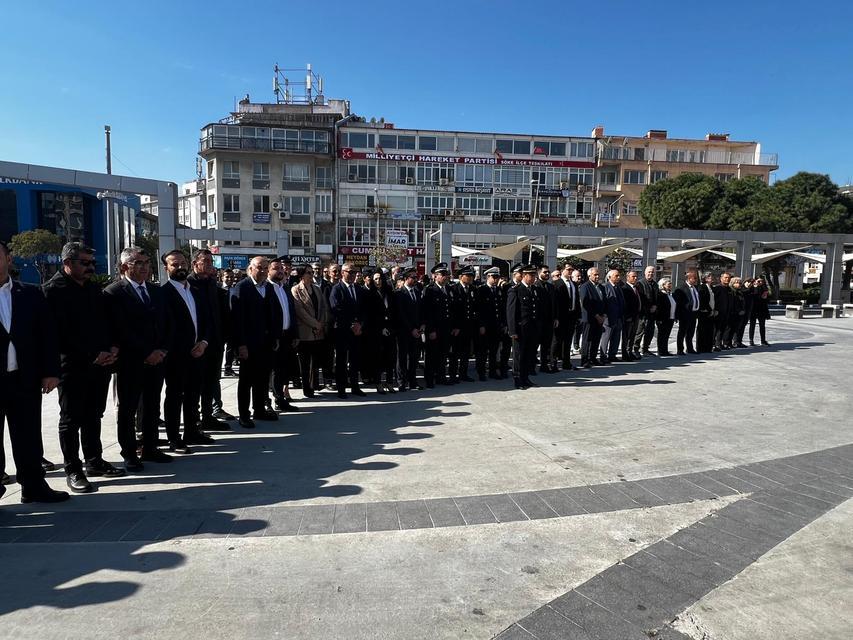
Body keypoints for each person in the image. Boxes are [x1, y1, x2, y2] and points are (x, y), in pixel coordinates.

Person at [42, 242, 123, 494]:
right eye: (84, 263)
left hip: (100, 366)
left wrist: (111, 347)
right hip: (71, 367)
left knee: (93, 415)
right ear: (67, 263)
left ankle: (94, 460)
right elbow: (56, 335)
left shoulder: (93, 288)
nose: (90, 268)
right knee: (71, 420)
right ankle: (73, 468)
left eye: (92, 263)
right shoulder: (51, 292)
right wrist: (92, 354)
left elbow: (105, 323)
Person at [0, 240, 66, 503]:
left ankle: (34, 486)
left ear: (9, 258)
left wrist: (51, 371)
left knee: (28, 435)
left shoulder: (30, 293)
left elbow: (47, 335)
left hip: (23, 378)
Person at [104, 247, 172, 470]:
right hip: (131, 362)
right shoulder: (114, 292)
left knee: (152, 406)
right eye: (138, 263)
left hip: (157, 361)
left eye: (146, 262)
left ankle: (150, 447)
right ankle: (130, 452)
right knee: (128, 409)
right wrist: (146, 353)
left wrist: (161, 350)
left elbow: (165, 324)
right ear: (125, 267)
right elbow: (120, 330)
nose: (144, 267)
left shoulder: (156, 291)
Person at [161, 250, 211, 453]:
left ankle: (192, 431)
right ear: (166, 268)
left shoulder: (195, 291)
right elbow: (164, 327)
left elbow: (206, 321)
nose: (180, 267)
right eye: (175, 264)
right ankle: (174, 438)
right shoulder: (163, 294)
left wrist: (204, 343)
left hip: (198, 352)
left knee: (193, 394)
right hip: (175, 356)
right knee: (174, 396)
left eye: (183, 263)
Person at [230, 256, 280, 428]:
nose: (263, 271)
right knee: (246, 380)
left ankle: (259, 409)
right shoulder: (241, 288)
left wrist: (275, 337)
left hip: (266, 343)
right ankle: (244, 414)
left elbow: (275, 313)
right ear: (250, 269)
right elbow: (237, 319)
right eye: (260, 267)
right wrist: (241, 344)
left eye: (266, 268)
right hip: (249, 344)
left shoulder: (269, 288)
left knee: (262, 378)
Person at [188, 250, 232, 431]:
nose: (208, 264)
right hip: (197, 343)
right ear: (195, 264)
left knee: (211, 381)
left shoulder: (212, 283)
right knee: (194, 385)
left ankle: (208, 416)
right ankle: (193, 420)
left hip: (215, 342)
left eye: (210, 261)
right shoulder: (189, 284)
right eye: (204, 261)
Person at [329, 262, 367, 398]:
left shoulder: (358, 289)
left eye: (354, 272)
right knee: (341, 361)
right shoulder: (337, 289)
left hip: (357, 331)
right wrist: (351, 324)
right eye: (349, 272)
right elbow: (336, 309)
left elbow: (363, 309)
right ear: (342, 273)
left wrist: (360, 324)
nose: (352, 275)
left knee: (355, 359)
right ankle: (341, 388)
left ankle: (355, 386)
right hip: (343, 330)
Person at [291, 264, 330, 398]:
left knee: (315, 362)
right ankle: (307, 388)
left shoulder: (317, 289)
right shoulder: (295, 290)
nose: (311, 274)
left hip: (318, 332)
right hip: (305, 332)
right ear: (302, 275)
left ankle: (314, 385)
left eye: (312, 272)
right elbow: (300, 311)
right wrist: (315, 325)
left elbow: (323, 308)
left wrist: (321, 325)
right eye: (308, 272)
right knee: (305, 363)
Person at [268, 257, 300, 412]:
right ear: (268, 270)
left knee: (282, 369)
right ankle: (270, 401)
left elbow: (291, 311)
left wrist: (294, 334)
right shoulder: (266, 287)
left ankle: (280, 399)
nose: (280, 271)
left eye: (282, 269)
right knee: (272, 370)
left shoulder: (285, 287)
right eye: (276, 268)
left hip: (287, 335)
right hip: (273, 337)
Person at [506, 265, 540, 389]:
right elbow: (511, 312)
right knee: (518, 355)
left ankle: (525, 378)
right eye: (531, 275)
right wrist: (512, 331)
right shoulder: (515, 290)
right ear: (524, 276)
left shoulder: (534, 289)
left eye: (534, 275)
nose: (533, 278)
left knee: (528, 354)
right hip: (520, 329)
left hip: (531, 329)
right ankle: (517, 379)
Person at [422, 262, 454, 388]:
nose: (445, 277)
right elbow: (427, 312)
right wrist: (431, 330)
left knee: (443, 354)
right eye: (443, 274)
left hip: (445, 329)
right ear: (435, 276)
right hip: (434, 329)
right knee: (431, 356)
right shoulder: (429, 290)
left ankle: (441, 376)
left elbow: (451, 310)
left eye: (446, 274)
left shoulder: (449, 289)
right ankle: (429, 378)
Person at [365, 270, 397, 393]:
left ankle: (389, 382)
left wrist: (391, 327)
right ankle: (378, 383)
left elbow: (394, 310)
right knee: (378, 358)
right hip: (377, 330)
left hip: (390, 328)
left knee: (391, 357)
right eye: (376, 279)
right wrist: (380, 328)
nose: (378, 281)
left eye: (380, 278)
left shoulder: (389, 293)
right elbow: (370, 315)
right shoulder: (370, 294)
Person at [475, 267, 508, 379]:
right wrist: (481, 325)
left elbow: (501, 309)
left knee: (494, 350)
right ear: (487, 277)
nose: (496, 279)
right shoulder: (481, 290)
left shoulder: (498, 290)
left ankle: (493, 372)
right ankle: (481, 372)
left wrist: (503, 324)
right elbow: (478, 309)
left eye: (497, 277)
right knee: (483, 351)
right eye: (494, 277)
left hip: (496, 326)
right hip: (486, 326)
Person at [394, 269, 424, 391]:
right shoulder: (399, 293)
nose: (415, 279)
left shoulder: (417, 292)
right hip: (404, 331)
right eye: (412, 277)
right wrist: (411, 329)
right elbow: (401, 314)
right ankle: (401, 382)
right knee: (402, 358)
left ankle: (413, 381)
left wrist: (422, 325)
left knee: (413, 358)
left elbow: (421, 311)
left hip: (416, 331)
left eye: (415, 277)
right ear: (406, 279)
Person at [451, 265, 478, 382]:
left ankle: (463, 373)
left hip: (469, 326)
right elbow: (453, 311)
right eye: (468, 276)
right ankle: (453, 374)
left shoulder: (473, 289)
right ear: (461, 277)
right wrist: (455, 326)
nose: (471, 278)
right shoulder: (454, 289)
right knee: (455, 353)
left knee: (466, 352)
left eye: (472, 276)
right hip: (458, 327)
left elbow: (474, 308)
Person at [551, 263, 580, 371]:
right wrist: (556, 317)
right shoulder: (557, 283)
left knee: (568, 341)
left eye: (572, 269)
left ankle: (566, 362)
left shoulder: (573, 284)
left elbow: (576, 300)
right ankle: (553, 362)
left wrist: (577, 315)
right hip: (561, 316)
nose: (570, 271)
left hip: (571, 315)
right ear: (562, 270)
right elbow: (555, 302)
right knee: (557, 340)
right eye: (568, 269)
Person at [578, 267, 606, 368]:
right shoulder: (585, 286)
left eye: (598, 274)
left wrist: (603, 315)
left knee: (596, 339)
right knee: (587, 339)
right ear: (589, 275)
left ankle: (593, 358)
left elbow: (604, 301)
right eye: (595, 274)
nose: (597, 276)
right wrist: (596, 315)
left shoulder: (601, 287)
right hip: (589, 318)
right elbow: (586, 303)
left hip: (600, 318)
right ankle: (584, 359)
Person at [533, 266, 557, 373]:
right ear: (539, 273)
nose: (547, 274)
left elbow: (554, 304)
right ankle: (531, 366)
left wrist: (555, 318)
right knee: (535, 344)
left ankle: (544, 365)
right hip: (538, 321)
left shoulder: (551, 287)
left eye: (548, 272)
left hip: (549, 320)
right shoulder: (535, 286)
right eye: (545, 272)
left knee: (546, 344)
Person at [673, 270, 701, 355]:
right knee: (682, 332)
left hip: (693, 313)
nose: (696, 280)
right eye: (694, 278)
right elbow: (677, 302)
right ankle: (680, 349)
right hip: (685, 314)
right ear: (689, 278)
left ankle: (690, 348)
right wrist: (677, 315)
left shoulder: (695, 288)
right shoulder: (681, 288)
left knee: (691, 332)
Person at [600, 269, 625, 363]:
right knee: (606, 337)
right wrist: (605, 315)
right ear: (609, 277)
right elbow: (604, 302)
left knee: (616, 337)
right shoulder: (605, 287)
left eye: (619, 276)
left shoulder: (618, 287)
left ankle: (612, 355)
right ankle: (603, 356)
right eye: (616, 276)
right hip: (609, 318)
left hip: (618, 317)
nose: (618, 278)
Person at [635, 265, 658, 356]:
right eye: (649, 272)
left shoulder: (655, 284)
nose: (650, 274)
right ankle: (635, 349)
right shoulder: (640, 283)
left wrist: (655, 306)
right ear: (645, 273)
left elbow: (656, 298)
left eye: (652, 272)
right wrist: (648, 308)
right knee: (639, 332)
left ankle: (645, 349)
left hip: (652, 313)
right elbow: (640, 298)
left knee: (650, 332)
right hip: (643, 313)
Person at [620, 270, 642, 361]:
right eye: (633, 277)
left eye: (636, 276)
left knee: (633, 335)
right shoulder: (624, 288)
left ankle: (630, 351)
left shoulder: (636, 288)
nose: (635, 278)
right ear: (628, 277)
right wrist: (627, 316)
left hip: (636, 316)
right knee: (626, 336)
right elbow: (625, 304)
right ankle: (625, 353)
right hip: (628, 317)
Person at [220, 269, 238, 377]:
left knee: (231, 347)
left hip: (232, 322)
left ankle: (228, 367)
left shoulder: (235, 290)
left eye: (231, 277)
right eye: (227, 277)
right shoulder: (217, 289)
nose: (229, 279)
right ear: (222, 277)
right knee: (220, 348)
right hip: (221, 323)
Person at [655, 278, 677, 356]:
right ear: (663, 285)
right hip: (663, 318)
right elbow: (659, 308)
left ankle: (665, 350)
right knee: (662, 335)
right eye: (668, 284)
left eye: (670, 284)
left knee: (667, 335)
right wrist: (659, 318)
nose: (670, 286)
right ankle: (661, 350)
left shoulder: (670, 294)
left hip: (670, 318)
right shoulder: (660, 295)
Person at [696, 272, 717, 353]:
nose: (711, 278)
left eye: (711, 276)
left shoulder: (711, 287)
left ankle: (708, 347)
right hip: (704, 312)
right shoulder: (702, 287)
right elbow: (703, 300)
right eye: (709, 276)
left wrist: (714, 310)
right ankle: (700, 348)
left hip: (711, 312)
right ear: (705, 278)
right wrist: (709, 310)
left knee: (710, 330)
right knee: (702, 330)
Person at [713, 272, 733, 351]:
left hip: (727, 312)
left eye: (728, 278)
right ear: (721, 279)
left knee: (723, 329)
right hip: (718, 312)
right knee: (716, 329)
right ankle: (714, 344)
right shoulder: (718, 288)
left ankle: (720, 344)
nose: (727, 279)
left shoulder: (729, 289)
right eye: (725, 277)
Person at [750, 277, 771, 346]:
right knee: (752, 325)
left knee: (762, 325)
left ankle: (763, 340)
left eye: (761, 281)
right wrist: (755, 287)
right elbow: (754, 295)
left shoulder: (764, 288)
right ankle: (751, 340)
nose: (760, 283)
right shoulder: (752, 288)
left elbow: (767, 299)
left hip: (762, 309)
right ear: (755, 281)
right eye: (758, 281)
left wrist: (766, 296)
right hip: (754, 309)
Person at [729, 277, 747, 348]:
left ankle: (738, 341)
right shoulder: (732, 291)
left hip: (741, 313)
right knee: (732, 329)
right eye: (737, 283)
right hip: (734, 313)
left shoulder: (740, 291)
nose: (739, 284)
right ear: (733, 283)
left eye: (740, 283)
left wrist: (743, 310)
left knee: (739, 328)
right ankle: (732, 342)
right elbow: (733, 303)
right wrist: (738, 311)